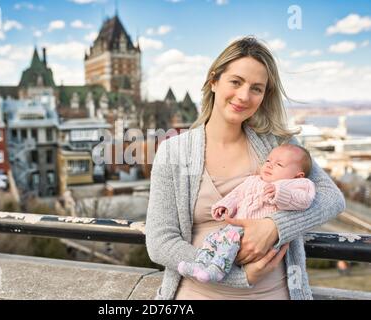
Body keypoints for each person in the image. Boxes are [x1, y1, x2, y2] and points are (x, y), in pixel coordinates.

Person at [145, 36, 345, 300]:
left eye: (256, 88)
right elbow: (160, 242)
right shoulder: (173, 152)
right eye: (236, 82)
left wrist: (273, 226)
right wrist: (238, 276)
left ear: (264, 96)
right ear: (214, 81)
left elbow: (332, 198)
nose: (243, 96)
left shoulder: (277, 144)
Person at [178, 144, 316, 284]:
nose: (270, 165)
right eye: (268, 161)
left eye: (279, 164)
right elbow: (236, 195)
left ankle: (217, 270)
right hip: (236, 230)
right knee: (213, 238)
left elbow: (305, 200)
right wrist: (225, 206)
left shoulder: (298, 185)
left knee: (228, 241)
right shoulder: (252, 181)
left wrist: (281, 194)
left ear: (298, 176)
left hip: (261, 239)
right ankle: (201, 264)